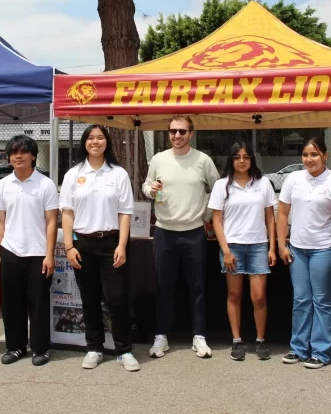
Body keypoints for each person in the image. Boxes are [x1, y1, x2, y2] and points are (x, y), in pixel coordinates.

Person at [59, 125, 139, 372]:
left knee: (117, 299)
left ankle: (124, 349)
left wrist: (122, 245)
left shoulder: (118, 174)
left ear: (107, 142)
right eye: (91, 138)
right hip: (82, 243)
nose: (95, 142)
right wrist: (69, 246)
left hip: (111, 243)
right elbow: (67, 213)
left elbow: (125, 213)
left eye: (100, 138)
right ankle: (94, 347)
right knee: (89, 299)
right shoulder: (73, 174)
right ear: (84, 142)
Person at [142, 115, 219, 359]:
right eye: (173, 131)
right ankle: (161, 336)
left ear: (191, 134)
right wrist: (150, 190)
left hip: (194, 232)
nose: (177, 136)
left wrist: (206, 216)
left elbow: (217, 190)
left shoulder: (203, 160)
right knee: (164, 286)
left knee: (197, 287)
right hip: (164, 231)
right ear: (168, 134)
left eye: (182, 132)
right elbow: (146, 186)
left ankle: (199, 336)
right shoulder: (158, 159)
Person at [0, 135, 59, 366]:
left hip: (38, 252)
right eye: (13, 152)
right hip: (10, 250)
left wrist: (50, 254)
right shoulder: (2, 185)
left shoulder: (45, 184)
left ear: (33, 156)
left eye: (23, 152)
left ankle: (40, 348)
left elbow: (51, 221)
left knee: (38, 304)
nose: (18, 156)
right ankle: (15, 346)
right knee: (11, 304)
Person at [208, 142, 276, 361]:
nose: (242, 161)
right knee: (235, 295)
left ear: (252, 160)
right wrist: (225, 250)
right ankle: (237, 341)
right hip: (233, 246)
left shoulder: (263, 183)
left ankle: (260, 340)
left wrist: (272, 247)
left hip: (258, 246)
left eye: (246, 157)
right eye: (237, 157)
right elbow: (217, 220)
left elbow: (270, 218)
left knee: (259, 297)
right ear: (231, 160)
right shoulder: (222, 185)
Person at [276, 136, 331, 369]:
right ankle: (299, 348)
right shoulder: (293, 179)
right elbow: (282, 213)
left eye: (314, 154)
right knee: (301, 300)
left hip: (324, 248)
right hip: (297, 250)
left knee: (322, 301)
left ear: (325, 156)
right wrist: (282, 244)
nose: (309, 159)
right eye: (305, 155)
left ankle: (321, 352)